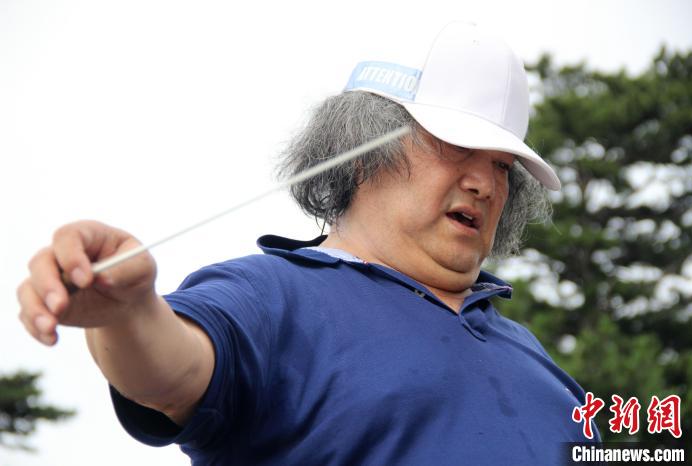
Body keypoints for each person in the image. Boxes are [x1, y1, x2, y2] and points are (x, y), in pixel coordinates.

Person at [16, 22, 599, 465]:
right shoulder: (270, 296)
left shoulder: (543, 365)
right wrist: (127, 316)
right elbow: (172, 371)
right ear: (367, 150)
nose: (485, 184)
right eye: (456, 146)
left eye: (502, 166)